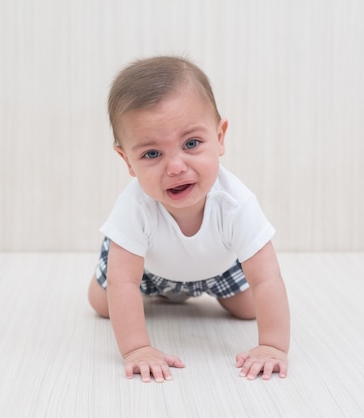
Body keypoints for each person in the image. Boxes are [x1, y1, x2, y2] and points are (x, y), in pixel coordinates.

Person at [88, 56, 290, 383]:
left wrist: (272, 346)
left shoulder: (235, 203)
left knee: (249, 308)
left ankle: (199, 294)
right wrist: (137, 349)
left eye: (191, 143)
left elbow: (267, 278)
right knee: (102, 303)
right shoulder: (134, 206)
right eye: (152, 154)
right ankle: (157, 293)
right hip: (148, 272)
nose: (176, 167)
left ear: (220, 137)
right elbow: (124, 282)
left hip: (218, 269)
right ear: (127, 159)